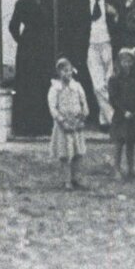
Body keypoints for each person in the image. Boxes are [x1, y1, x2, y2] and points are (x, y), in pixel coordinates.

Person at [6, 0, 55, 140]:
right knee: (28, 85)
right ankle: (26, 128)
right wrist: (22, 41)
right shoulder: (22, 3)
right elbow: (13, 26)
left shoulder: (48, 2)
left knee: (43, 84)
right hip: (28, 50)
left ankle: (44, 127)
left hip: (44, 48)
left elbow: (52, 25)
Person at [83, 0, 116, 128]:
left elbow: (120, 22)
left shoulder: (111, 0)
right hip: (91, 45)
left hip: (108, 44)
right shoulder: (82, 1)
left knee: (109, 82)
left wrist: (115, 14)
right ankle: (112, 119)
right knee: (98, 84)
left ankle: (104, 119)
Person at [49, 58, 89, 189]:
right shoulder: (55, 88)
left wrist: (83, 115)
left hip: (76, 123)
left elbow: (84, 101)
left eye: (70, 70)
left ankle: (76, 178)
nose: (68, 73)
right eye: (65, 71)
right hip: (63, 125)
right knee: (65, 154)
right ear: (59, 72)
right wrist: (61, 120)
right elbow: (53, 107)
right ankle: (66, 180)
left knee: (78, 152)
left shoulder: (77, 86)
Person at [108, 46, 135, 178]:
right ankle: (117, 169)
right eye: (124, 61)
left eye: (129, 61)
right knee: (119, 143)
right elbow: (113, 99)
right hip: (121, 116)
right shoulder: (114, 79)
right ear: (119, 62)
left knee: (131, 142)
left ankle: (131, 169)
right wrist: (123, 111)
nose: (127, 64)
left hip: (134, 114)